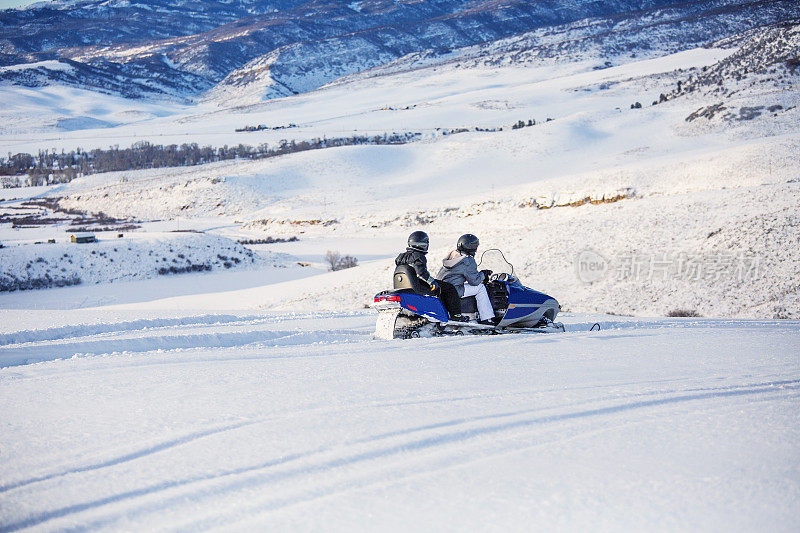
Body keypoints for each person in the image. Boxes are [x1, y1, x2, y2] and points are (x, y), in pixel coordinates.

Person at [395, 231, 467, 322]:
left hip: (407, 286)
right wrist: (431, 282)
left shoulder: (402, 256)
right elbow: (421, 272)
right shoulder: (418, 256)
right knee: (449, 287)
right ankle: (456, 315)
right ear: (423, 245)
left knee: (441, 286)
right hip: (417, 286)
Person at [437, 233, 496, 325]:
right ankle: (487, 318)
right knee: (480, 288)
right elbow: (475, 281)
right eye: (475, 247)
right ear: (471, 247)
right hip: (454, 290)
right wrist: (484, 274)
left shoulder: (453, 256)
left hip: (443, 287)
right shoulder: (467, 260)